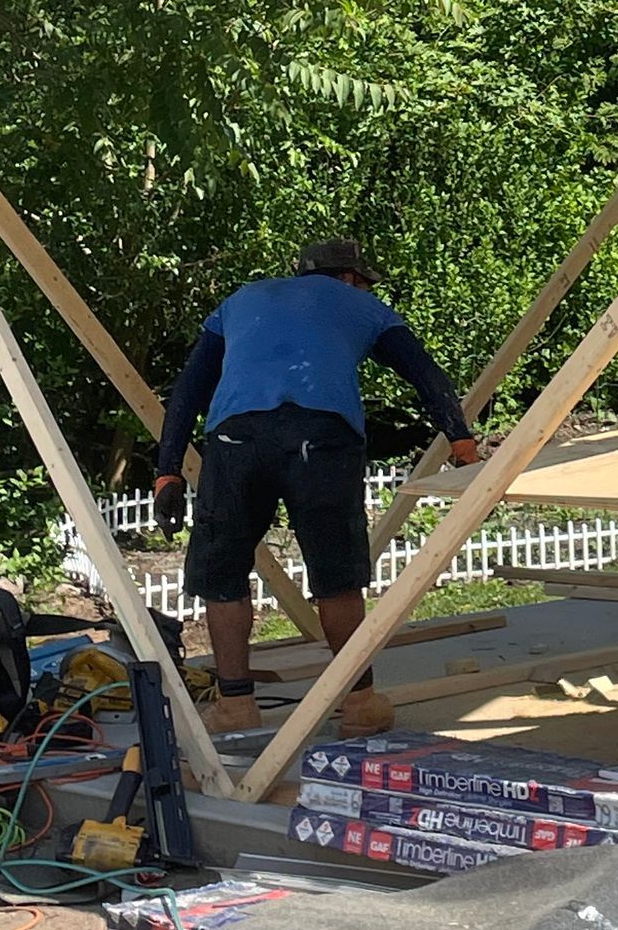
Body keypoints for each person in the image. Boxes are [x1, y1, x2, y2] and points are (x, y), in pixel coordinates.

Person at [153, 238, 480, 737]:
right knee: (337, 574)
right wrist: (462, 443)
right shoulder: (362, 304)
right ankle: (360, 704)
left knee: (222, 573)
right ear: (349, 277)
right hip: (323, 438)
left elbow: (189, 389)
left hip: (237, 439)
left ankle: (235, 705)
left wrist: (168, 471)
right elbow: (424, 374)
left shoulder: (240, 301)